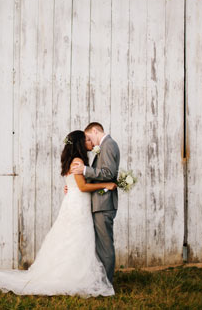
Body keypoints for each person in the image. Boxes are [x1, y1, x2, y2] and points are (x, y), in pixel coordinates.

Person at [0, 130, 115, 297]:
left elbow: (76, 184)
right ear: (79, 143)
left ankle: (74, 273)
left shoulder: (74, 160)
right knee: (76, 238)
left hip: (75, 202)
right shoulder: (78, 160)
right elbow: (83, 187)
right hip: (77, 205)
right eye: (86, 139)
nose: (89, 141)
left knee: (74, 239)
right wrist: (106, 184)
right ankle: (72, 276)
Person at [70, 122, 120, 284]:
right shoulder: (103, 147)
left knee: (105, 246)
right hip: (98, 202)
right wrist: (73, 186)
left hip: (104, 203)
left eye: (89, 138)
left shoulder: (109, 144)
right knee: (100, 246)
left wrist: (85, 170)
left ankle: (107, 283)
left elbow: (108, 173)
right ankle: (101, 280)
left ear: (95, 130)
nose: (90, 142)